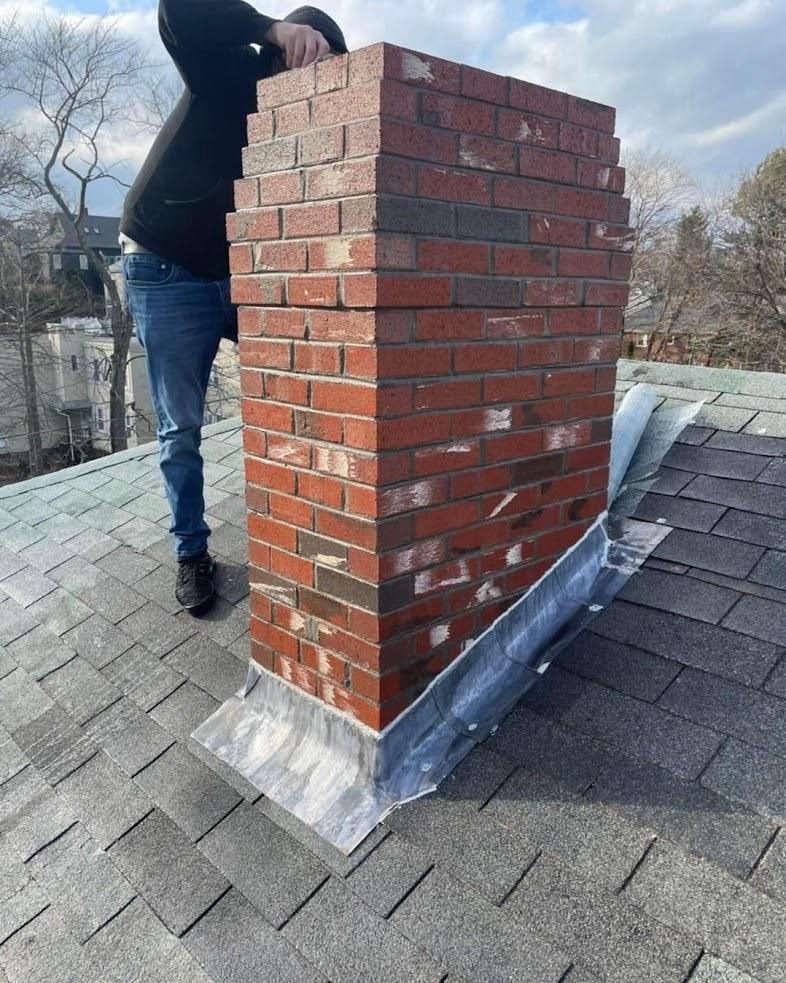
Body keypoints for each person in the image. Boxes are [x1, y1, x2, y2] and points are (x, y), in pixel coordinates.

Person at [120, 1, 348, 613]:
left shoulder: (308, 125)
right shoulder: (226, 69)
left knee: (314, 374)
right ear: (280, 56)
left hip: (237, 274)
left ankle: (319, 523)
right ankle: (192, 552)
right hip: (165, 267)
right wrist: (269, 26)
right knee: (181, 427)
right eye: (307, 62)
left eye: (329, 71)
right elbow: (178, 9)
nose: (315, 82)